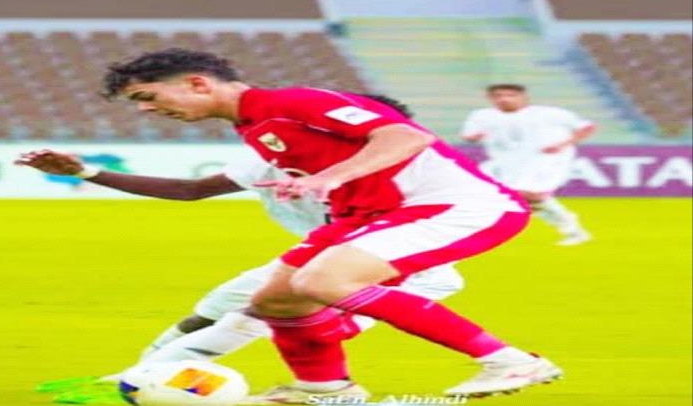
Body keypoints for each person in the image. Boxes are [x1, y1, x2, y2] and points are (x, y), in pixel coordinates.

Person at [66, 48, 562, 402]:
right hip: (371, 217)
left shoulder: (293, 101)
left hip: (457, 206)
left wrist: (329, 177)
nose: (147, 110)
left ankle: (510, 361)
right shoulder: (254, 126)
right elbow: (192, 191)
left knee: (321, 282)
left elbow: (406, 136)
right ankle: (325, 389)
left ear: (198, 83)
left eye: (147, 96)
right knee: (277, 300)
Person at [16, 147, 466, 404]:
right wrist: (87, 172)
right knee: (210, 312)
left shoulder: (396, 175)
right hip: (316, 256)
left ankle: (127, 385)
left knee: (258, 318)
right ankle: (138, 378)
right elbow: (190, 190)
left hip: (400, 270)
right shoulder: (270, 156)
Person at [462, 84, 597, 246]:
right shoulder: (481, 116)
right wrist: (474, 137)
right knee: (525, 198)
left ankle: (567, 225)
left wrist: (564, 144)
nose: (504, 99)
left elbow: (586, 127)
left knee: (531, 195)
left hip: (547, 160)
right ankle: (572, 228)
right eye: (498, 96)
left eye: (510, 95)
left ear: (524, 97)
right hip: (505, 163)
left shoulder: (550, 113)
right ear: (490, 98)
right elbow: (468, 135)